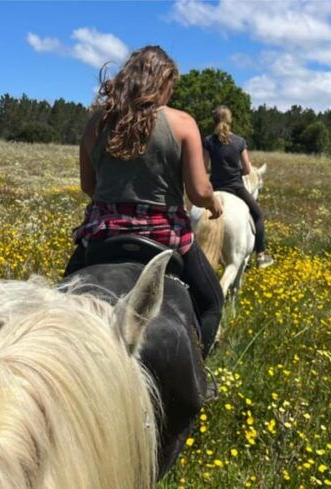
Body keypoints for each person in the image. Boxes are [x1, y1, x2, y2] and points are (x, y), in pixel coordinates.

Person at [63, 45, 224, 355]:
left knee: (56, 301)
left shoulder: (96, 122)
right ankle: (200, 376)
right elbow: (198, 192)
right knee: (212, 303)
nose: (171, 94)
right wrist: (213, 203)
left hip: (102, 236)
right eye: (170, 87)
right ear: (161, 83)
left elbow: (88, 185)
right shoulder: (182, 123)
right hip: (166, 237)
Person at [203, 105, 273, 268]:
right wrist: (234, 170)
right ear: (230, 120)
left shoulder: (208, 141)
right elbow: (248, 170)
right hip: (236, 187)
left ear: (214, 121)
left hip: (215, 188)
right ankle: (260, 256)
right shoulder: (240, 141)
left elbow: (204, 167)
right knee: (258, 216)